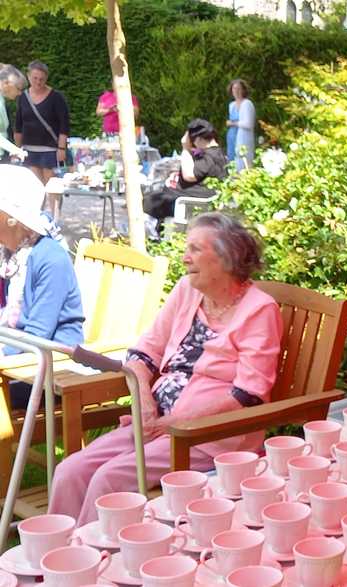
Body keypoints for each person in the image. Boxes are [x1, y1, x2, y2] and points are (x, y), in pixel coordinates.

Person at [49, 212, 282, 525]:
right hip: (155, 422)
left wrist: (175, 422)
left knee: (109, 480)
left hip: (207, 435)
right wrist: (143, 397)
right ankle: (56, 560)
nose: (185, 258)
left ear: (229, 258)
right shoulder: (188, 290)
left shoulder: (260, 310)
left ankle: (93, 564)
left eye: (196, 249)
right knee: (70, 471)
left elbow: (249, 395)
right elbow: (145, 352)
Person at [0, 165, 84, 408]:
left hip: (49, 366)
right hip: (16, 357)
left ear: (11, 218)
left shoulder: (50, 259)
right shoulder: (9, 254)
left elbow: (38, 335)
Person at [144, 118, 228, 232]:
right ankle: (159, 231)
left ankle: (152, 235)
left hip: (190, 204)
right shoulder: (217, 154)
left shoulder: (210, 157)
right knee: (153, 196)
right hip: (192, 200)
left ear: (197, 139)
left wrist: (185, 148)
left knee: (147, 201)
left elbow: (189, 175)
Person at [13, 61, 70, 217]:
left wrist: (62, 148)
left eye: (42, 79)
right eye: (35, 78)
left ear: (46, 79)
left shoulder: (56, 97)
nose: (38, 82)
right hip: (30, 149)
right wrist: (17, 149)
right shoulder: (23, 97)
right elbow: (18, 125)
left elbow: (64, 125)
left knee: (52, 188)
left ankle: (55, 220)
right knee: (36, 188)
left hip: (50, 149)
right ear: (28, 76)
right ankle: (37, 221)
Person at [225, 79, 255, 171]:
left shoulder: (247, 104)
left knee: (243, 161)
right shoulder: (231, 105)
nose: (236, 91)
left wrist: (233, 123)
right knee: (232, 162)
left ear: (243, 90)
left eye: (239, 89)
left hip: (243, 137)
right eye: (234, 89)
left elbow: (249, 124)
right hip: (232, 136)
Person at [0, 64, 28, 162]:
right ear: (6, 83)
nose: (20, 93)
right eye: (18, 88)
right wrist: (14, 149)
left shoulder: (2, 100)